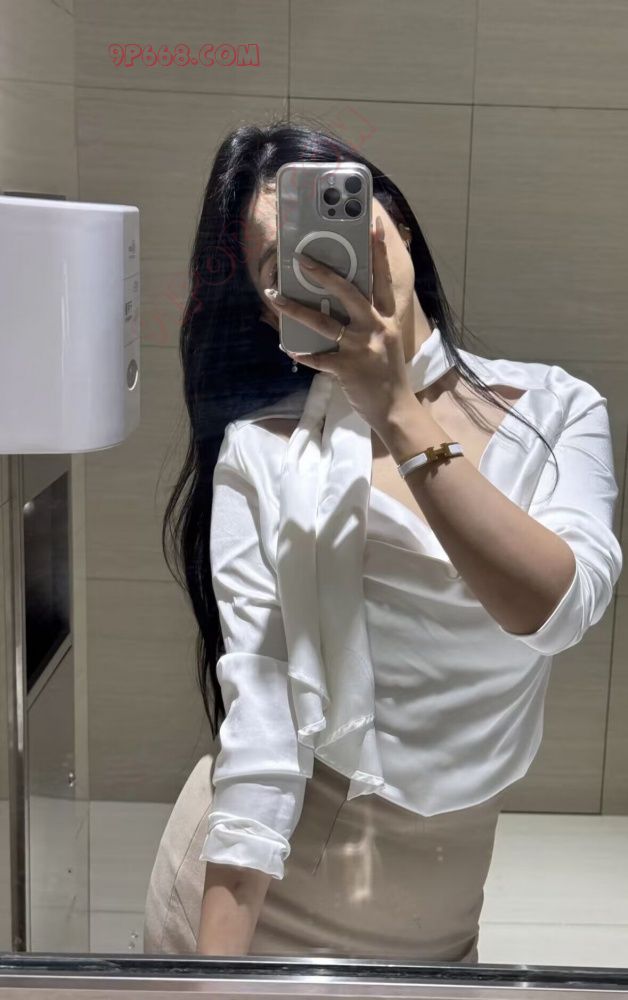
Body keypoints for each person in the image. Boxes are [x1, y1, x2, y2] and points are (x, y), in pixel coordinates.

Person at [144, 119, 623, 962]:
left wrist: (398, 409)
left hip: (441, 912)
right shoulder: (266, 451)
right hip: (264, 896)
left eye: (343, 218)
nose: (329, 265)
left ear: (394, 217)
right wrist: (216, 975)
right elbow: (263, 725)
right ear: (268, 306)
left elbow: (558, 609)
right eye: (286, 266)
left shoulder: (554, 411)